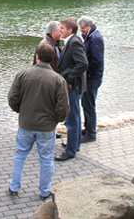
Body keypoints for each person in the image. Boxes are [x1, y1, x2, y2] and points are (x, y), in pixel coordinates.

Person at [7, 44, 69, 200]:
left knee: (20, 154)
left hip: (26, 124)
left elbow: (12, 98)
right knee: (46, 159)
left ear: (37, 57)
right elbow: (63, 107)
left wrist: (21, 111)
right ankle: (44, 191)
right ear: (53, 59)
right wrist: (58, 119)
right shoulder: (58, 80)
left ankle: (14, 186)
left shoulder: (22, 74)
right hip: (47, 127)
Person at [55, 18, 88, 161]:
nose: (59, 30)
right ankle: (75, 144)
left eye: (62, 28)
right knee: (74, 117)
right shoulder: (71, 41)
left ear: (70, 30)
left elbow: (82, 63)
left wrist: (69, 79)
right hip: (73, 85)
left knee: (72, 119)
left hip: (73, 87)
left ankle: (70, 151)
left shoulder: (74, 42)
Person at [78, 16, 104, 143]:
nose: (81, 30)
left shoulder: (95, 38)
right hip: (89, 77)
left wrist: (87, 74)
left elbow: (97, 61)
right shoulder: (89, 36)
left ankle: (91, 133)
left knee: (89, 105)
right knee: (85, 103)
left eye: (82, 28)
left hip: (92, 78)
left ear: (89, 26)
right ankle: (88, 127)